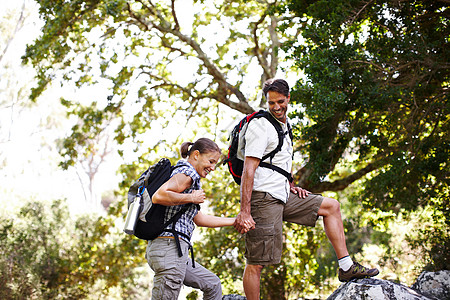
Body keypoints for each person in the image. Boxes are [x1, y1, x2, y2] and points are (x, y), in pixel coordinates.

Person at [233, 79, 379, 300]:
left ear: (288, 98)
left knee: (331, 207)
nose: (276, 107)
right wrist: (245, 210)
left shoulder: (285, 125)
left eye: (280, 101)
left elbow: (276, 162)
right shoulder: (260, 125)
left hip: (282, 194)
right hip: (262, 198)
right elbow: (249, 170)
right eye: (271, 103)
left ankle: (346, 267)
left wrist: (290, 185)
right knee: (256, 263)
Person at [146, 138, 235, 300]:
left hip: (174, 251)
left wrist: (235, 221)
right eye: (211, 161)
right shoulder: (188, 172)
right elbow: (159, 196)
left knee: (212, 284)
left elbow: (199, 219)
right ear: (196, 155)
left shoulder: (188, 176)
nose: (213, 168)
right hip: (169, 248)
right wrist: (192, 198)